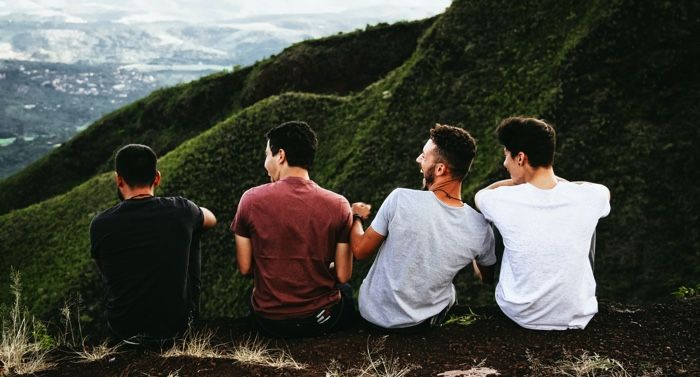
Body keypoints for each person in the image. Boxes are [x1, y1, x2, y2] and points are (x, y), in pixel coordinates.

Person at [351, 124, 496, 332]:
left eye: (424, 156)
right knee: (450, 292)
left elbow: (359, 250)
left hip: (372, 316)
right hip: (422, 324)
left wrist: (355, 216)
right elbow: (486, 277)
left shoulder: (400, 199)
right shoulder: (480, 228)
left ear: (440, 169)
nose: (418, 160)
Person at [475, 117, 610, 330]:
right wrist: (556, 183)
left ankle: (489, 278)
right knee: (587, 220)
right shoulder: (593, 197)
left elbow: (481, 195)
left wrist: (516, 182)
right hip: (577, 314)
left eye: (506, 156)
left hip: (520, 312)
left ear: (520, 158)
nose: (504, 164)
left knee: (498, 222)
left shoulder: (498, 199)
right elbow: (594, 190)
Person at [231, 121, 355, 338]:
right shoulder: (339, 205)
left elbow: (245, 268)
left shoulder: (250, 200)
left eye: (267, 155)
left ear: (280, 155)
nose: (265, 163)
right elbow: (343, 274)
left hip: (269, 321)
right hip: (320, 320)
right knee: (346, 292)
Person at [90, 144, 217, 343]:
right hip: (175, 328)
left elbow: (105, 270)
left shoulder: (100, 224)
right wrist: (189, 213)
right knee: (195, 230)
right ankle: (190, 317)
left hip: (123, 329)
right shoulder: (182, 209)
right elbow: (211, 219)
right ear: (157, 177)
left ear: (118, 179)